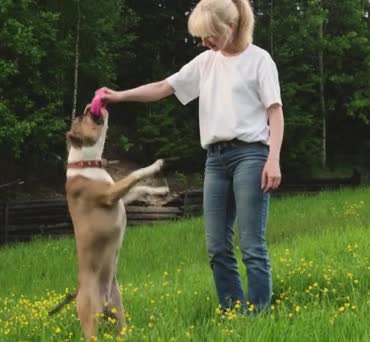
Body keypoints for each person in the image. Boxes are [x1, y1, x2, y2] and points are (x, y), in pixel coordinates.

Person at [101, 0, 284, 312]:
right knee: (216, 247)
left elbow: (275, 113)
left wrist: (273, 158)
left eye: (208, 35)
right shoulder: (205, 62)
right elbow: (163, 87)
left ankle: (259, 316)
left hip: (251, 156)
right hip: (215, 160)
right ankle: (232, 314)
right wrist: (119, 96)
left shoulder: (259, 60)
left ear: (231, 26)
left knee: (252, 245)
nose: (203, 42)